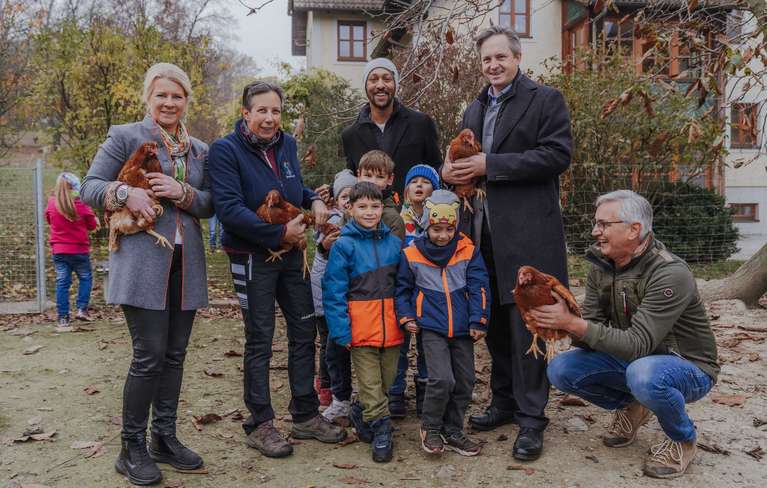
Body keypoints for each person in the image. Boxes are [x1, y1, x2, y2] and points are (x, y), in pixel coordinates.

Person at [441, 25, 573, 461]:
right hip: (481, 234)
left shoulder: (544, 100)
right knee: (495, 325)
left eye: (500, 57)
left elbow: (557, 156)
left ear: (517, 59)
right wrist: (453, 172)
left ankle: (532, 418)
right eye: (486, 60)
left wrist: (489, 163)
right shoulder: (473, 108)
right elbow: (463, 165)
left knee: (527, 328)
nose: (493, 66)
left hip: (528, 235)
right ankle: (503, 402)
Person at [81, 63, 213, 486]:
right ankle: (131, 447)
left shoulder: (199, 150)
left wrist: (185, 193)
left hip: (185, 264)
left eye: (177, 96)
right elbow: (88, 186)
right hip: (141, 264)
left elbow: (210, 203)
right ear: (148, 98)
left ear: (186, 100)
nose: (170, 103)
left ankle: (164, 438)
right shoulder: (125, 136)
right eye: (162, 95)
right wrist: (125, 192)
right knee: (149, 355)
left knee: (175, 355)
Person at [533, 190, 719, 479]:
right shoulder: (601, 266)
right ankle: (632, 407)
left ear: (635, 229)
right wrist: (552, 320)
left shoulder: (670, 272)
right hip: (635, 361)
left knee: (644, 375)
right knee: (561, 369)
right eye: (596, 224)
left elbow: (636, 344)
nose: (596, 232)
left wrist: (572, 324)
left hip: (688, 366)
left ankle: (682, 438)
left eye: (604, 224)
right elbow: (592, 327)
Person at [208, 80, 345, 459]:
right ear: (246, 114)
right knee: (260, 338)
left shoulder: (287, 145)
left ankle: (304, 413)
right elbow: (229, 209)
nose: (270, 118)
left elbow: (294, 189)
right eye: (262, 111)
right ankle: (260, 423)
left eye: (276, 111)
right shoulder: (225, 151)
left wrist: (314, 201)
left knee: (304, 330)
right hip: (251, 256)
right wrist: (278, 231)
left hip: (291, 254)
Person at [395, 190, 490, 456]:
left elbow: (479, 286)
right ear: (427, 224)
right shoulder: (412, 254)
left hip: (462, 327)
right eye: (436, 228)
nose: (442, 235)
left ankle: (453, 428)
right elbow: (402, 289)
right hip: (432, 327)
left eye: (449, 229)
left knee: (465, 380)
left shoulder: (469, 251)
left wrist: (479, 319)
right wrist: (406, 316)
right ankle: (431, 427)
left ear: (456, 225)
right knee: (440, 379)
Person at [323, 182, 404, 463]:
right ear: (350, 208)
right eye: (363, 206)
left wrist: (407, 318)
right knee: (370, 383)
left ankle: (361, 410)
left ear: (383, 208)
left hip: (393, 328)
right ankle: (382, 428)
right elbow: (333, 291)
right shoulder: (344, 245)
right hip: (361, 329)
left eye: (375, 206)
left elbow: (404, 285)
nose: (369, 212)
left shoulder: (395, 244)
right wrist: (341, 330)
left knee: (388, 380)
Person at [342, 58, 442, 197]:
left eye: (387, 79)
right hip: (372, 215)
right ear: (365, 85)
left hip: (413, 214)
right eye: (373, 79)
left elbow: (436, 169)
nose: (380, 85)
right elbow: (353, 177)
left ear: (395, 84)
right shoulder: (350, 135)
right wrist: (333, 189)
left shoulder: (421, 123)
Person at [390, 163, 440, 418]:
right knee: (399, 345)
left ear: (436, 189)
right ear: (406, 190)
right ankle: (396, 392)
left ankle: (425, 392)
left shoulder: (441, 223)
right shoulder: (398, 220)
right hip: (404, 292)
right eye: (414, 181)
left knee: (428, 345)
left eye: (426, 181)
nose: (419, 185)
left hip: (431, 294)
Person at [310, 169, 357, 413]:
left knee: (335, 344)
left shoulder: (359, 222)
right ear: (337, 200)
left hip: (342, 296)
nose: (347, 201)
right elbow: (320, 259)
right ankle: (328, 387)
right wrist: (323, 245)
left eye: (352, 196)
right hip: (324, 296)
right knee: (328, 343)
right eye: (343, 196)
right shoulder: (330, 222)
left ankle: (334, 388)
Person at [45, 172, 99, 327]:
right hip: (79, 251)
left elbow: (49, 220)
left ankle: (63, 318)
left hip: (59, 251)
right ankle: (82, 309)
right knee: (85, 278)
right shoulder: (81, 204)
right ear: (76, 187)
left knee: (62, 283)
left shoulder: (51, 203)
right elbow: (92, 226)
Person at [356, 150, 405, 241]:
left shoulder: (393, 219)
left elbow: (394, 253)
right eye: (368, 175)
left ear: (390, 179)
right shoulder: (350, 210)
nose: (373, 182)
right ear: (359, 175)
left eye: (380, 177)